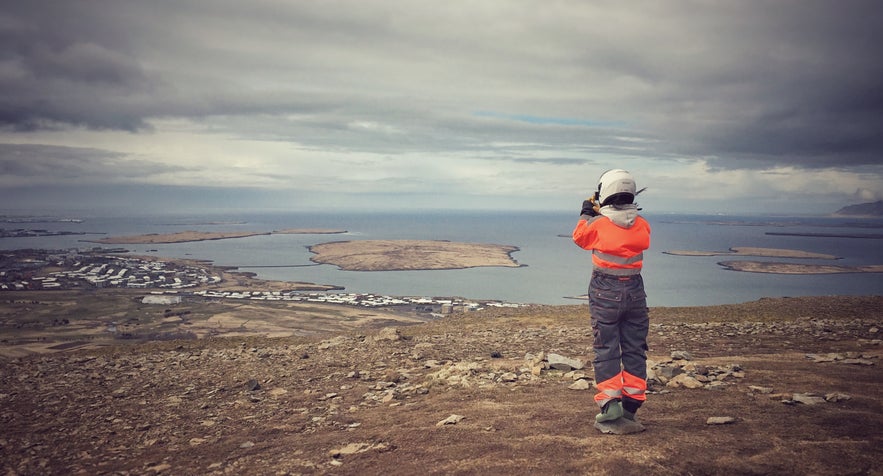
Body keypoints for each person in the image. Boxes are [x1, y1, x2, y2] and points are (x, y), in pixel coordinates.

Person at [572, 169, 651, 425]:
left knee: (606, 346)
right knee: (634, 347)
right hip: (635, 291)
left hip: (605, 290)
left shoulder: (599, 224)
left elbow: (580, 237)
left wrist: (587, 212)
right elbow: (632, 234)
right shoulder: (642, 225)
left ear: (604, 192)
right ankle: (632, 402)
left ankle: (610, 403)